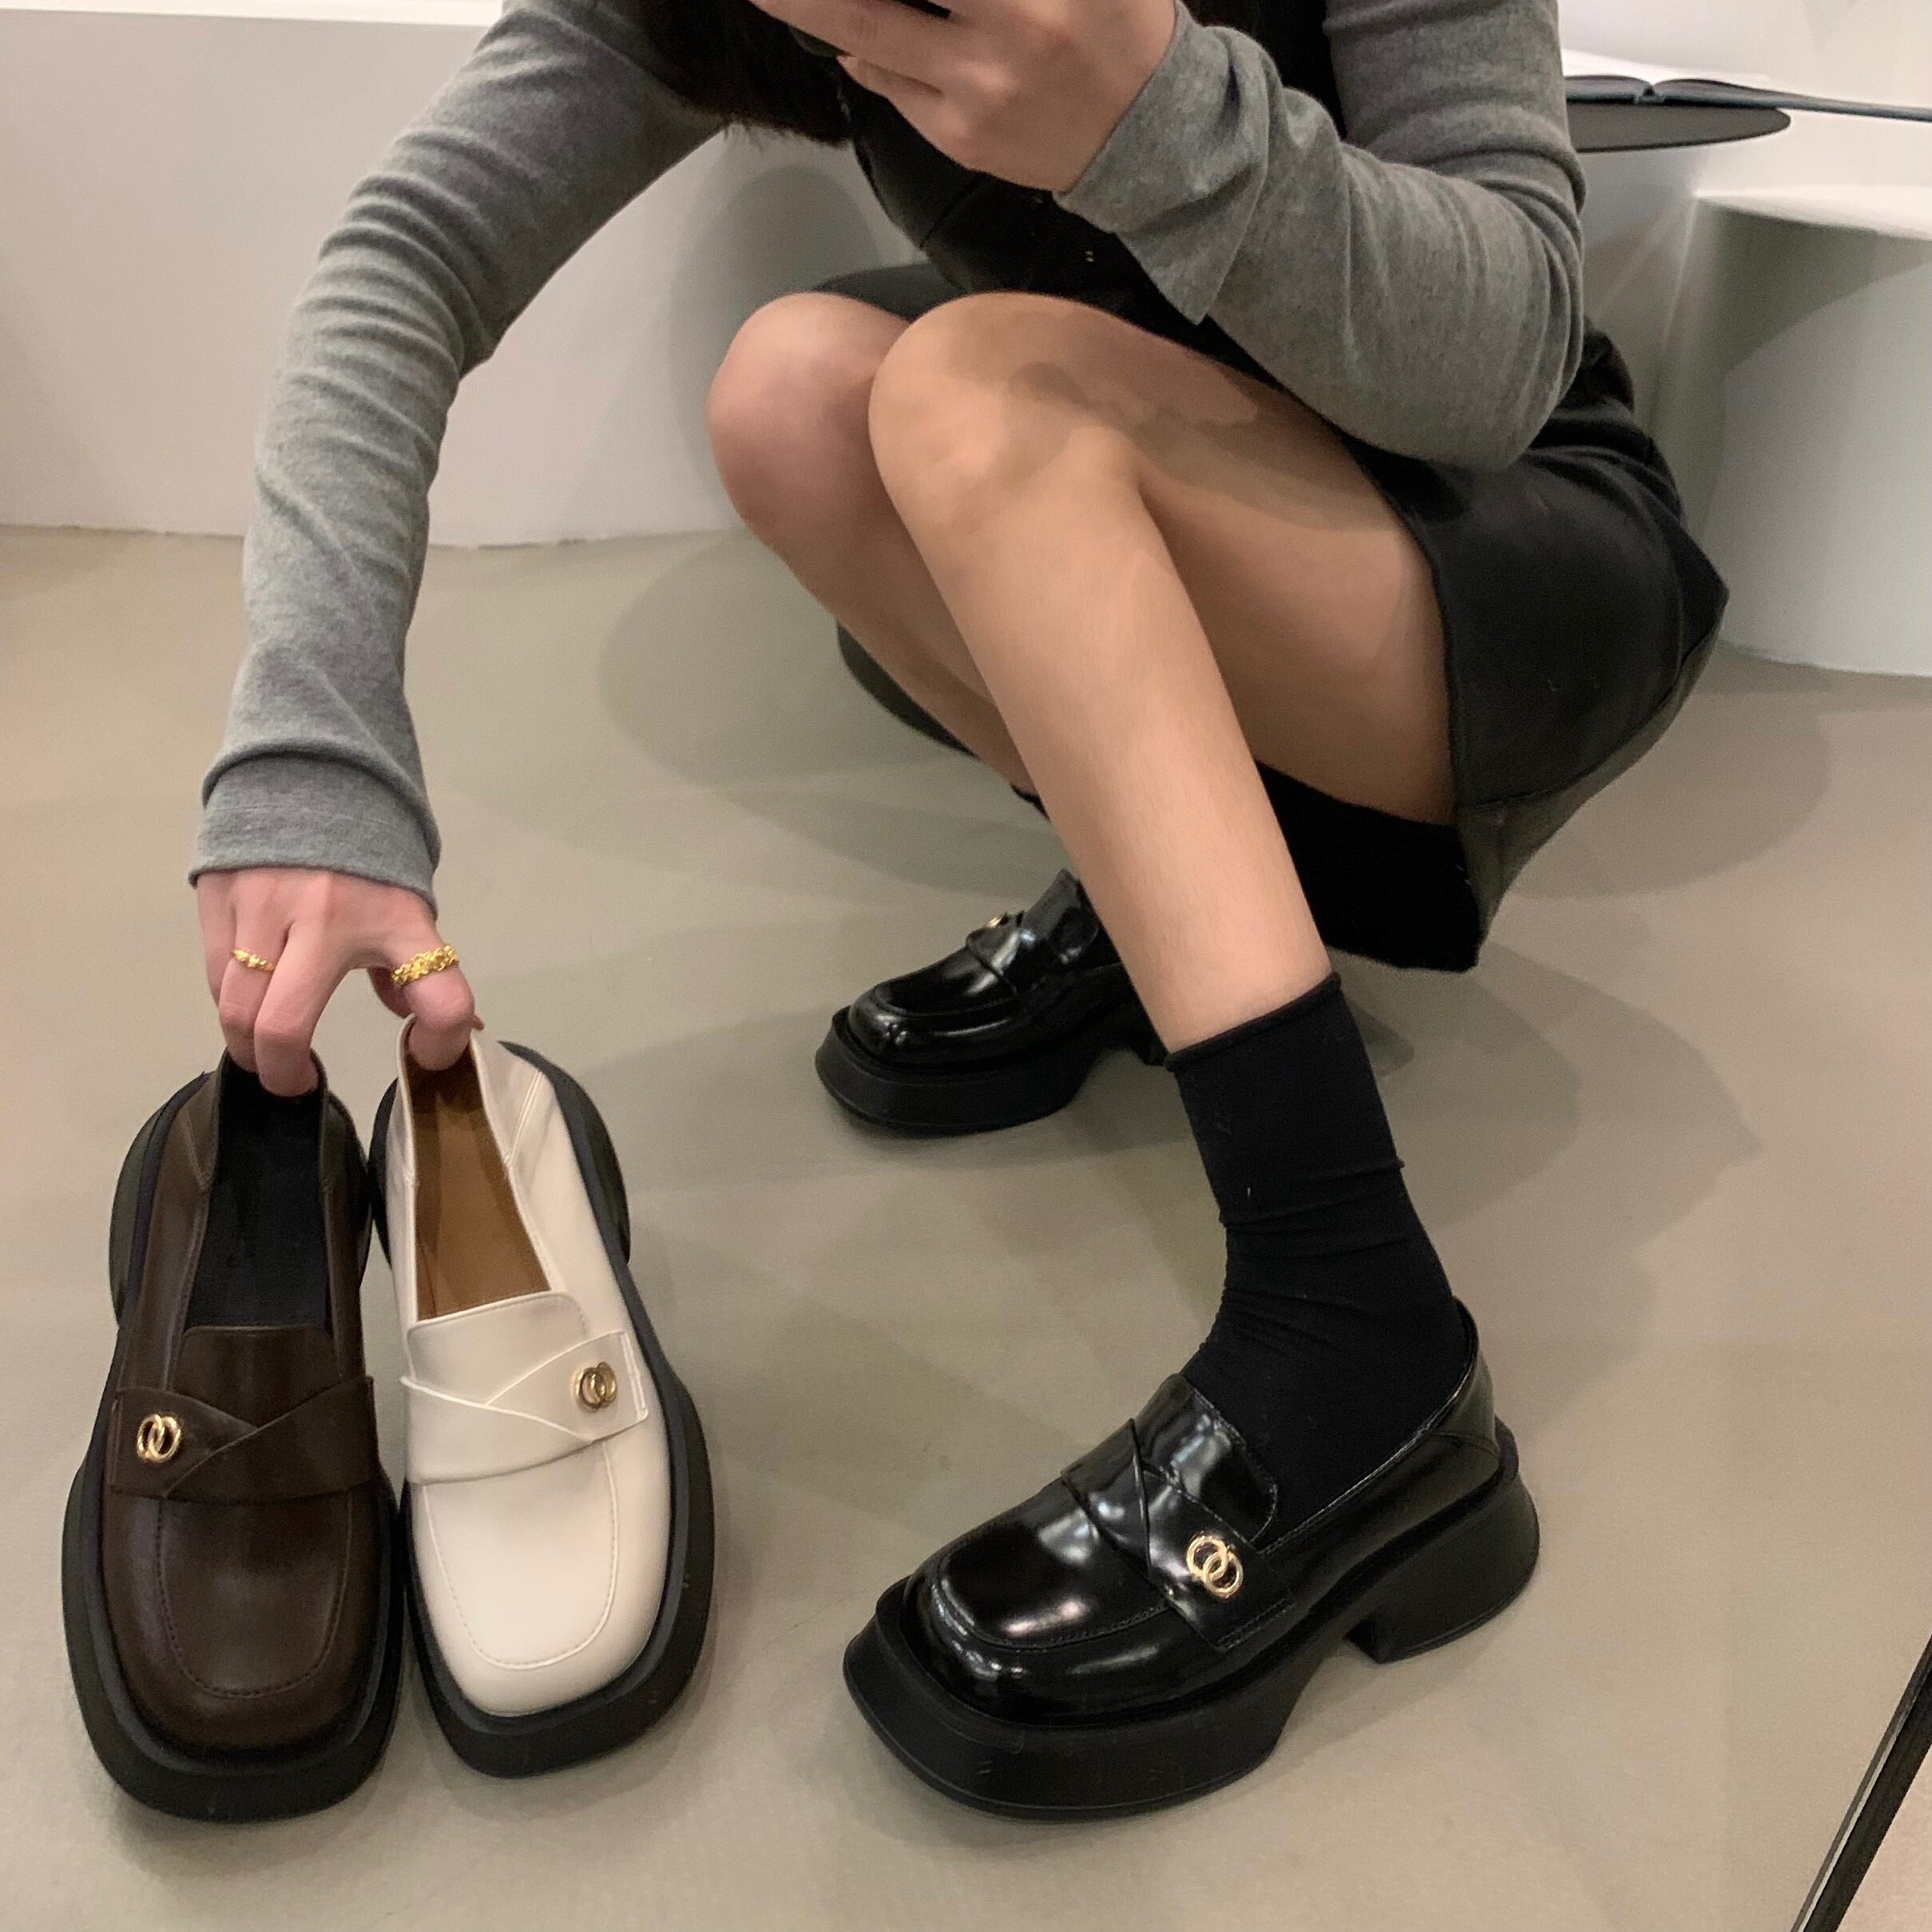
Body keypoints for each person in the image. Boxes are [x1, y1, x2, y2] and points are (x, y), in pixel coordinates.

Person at [189, 0, 1728, 1812]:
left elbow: (1501, 362)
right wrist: (315, 744)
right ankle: (1168, 911)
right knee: (791, 392)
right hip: (1213, 508)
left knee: (973, 388)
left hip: (1509, 551)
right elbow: (409, 256)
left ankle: (1366, 1341)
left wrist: (1146, 114)